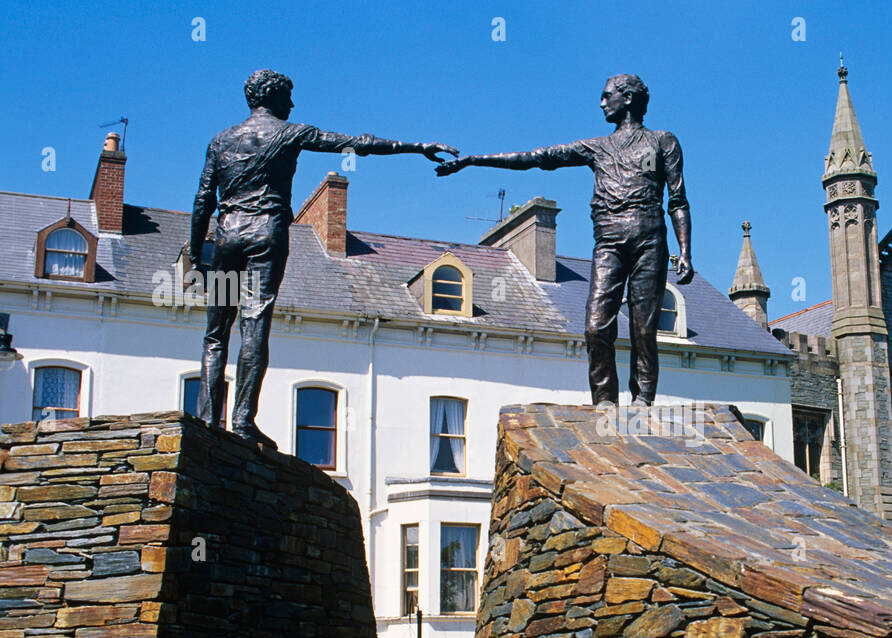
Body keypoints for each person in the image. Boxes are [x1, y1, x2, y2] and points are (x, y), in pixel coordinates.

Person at [190, 69, 457, 448]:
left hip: (227, 235)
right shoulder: (291, 132)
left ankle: (207, 422)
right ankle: (242, 421)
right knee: (254, 326)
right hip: (266, 231)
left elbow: (203, 199)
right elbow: (357, 143)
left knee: (215, 333)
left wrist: (198, 251)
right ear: (275, 96)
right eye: (289, 96)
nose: (293, 104)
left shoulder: (220, 140)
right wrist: (416, 146)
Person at [437, 73, 691, 405]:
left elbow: (678, 200)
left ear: (627, 98)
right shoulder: (597, 148)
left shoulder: (662, 141)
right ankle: (604, 403)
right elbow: (537, 158)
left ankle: (642, 402)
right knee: (596, 326)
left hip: (649, 240)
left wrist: (685, 250)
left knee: (644, 330)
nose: (602, 102)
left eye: (607, 95)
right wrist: (474, 160)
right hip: (609, 241)